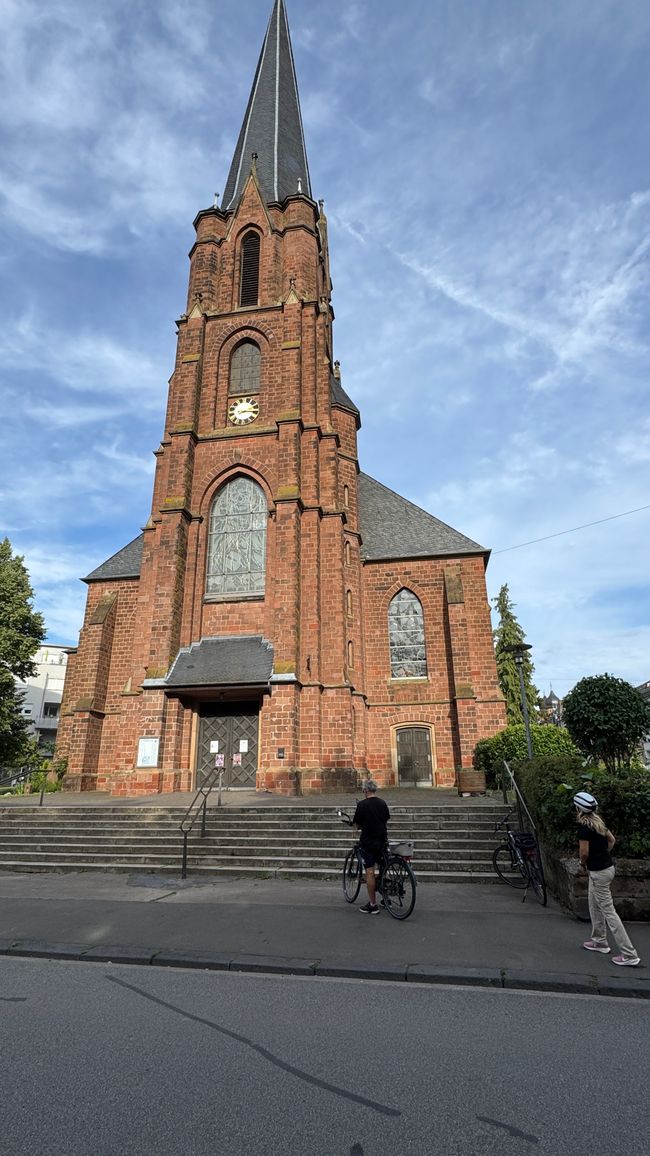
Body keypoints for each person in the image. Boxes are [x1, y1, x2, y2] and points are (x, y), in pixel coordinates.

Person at [574, 790, 641, 967]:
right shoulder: (598, 822)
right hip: (606, 868)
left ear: (578, 808)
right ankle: (599, 941)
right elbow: (611, 840)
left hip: (598, 872)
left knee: (609, 912)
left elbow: (584, 852)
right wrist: (603, 855)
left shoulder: (583, 827)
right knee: (593, 903)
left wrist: (584, 863)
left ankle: (629, 954)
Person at [352, 780, 390, 914]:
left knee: (369, 872)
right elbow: (385, 818)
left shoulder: (362, 805)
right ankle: (386, 899)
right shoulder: (382, 803)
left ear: (365, 791)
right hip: (382, 840)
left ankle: (373, 904)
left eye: (363, 790)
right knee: (384, 868)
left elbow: (357, 823)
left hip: (368, 842)